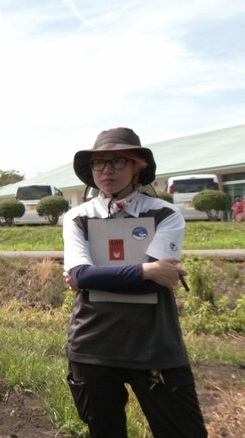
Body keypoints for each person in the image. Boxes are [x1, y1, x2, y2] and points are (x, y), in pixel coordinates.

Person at [62, 127, 207, 437]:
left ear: (137, 167)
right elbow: (82, 274)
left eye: (118, 161)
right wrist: (147, 270)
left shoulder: (164, 214)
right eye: (99, 163)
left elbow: (154, 284)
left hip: (154, 345)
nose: (107, 170)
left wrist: (93, 277)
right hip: (92, 344)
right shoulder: (78, 216)